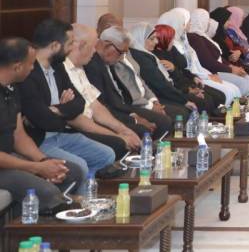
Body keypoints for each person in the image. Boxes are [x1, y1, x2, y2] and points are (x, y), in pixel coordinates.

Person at [17, 19, 116, 181]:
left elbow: (79, 103)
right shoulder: (28, 72)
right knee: (80, 166)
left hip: (61, 134)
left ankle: (85, 191)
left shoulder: (58, 66)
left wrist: (55, 109)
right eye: (70, 44)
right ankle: (74, 195)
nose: (71, 49)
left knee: (106, 155)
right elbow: (43, 120)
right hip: (40, 140)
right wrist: (64, 111)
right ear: (55, 46)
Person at [0, 38, 83, 214]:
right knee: (47, 192)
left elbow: (19, 135)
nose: (33, 68)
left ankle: (50, 213)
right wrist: (37, 168)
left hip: (10, 158)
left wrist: (44, 161)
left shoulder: (12, 89)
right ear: (17, 67)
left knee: (71, 172)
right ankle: (25, 226)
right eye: (31, 64)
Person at [61, 25, 143, 158]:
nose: (95, 51)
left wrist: (123, 130)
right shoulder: (62, 70)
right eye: (93, 46)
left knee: (130, 135)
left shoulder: (79, 68)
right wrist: (117, 136)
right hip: (74, 129)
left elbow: (96, 106)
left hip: (90, 123)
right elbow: (77, 120)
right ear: (81, 45)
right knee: (119, 144)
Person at [158, 8, 242, 105]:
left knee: (232, 90)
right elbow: (189, 67)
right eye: (185, 23)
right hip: (189, 80)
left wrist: (206, 75)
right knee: (224, 94)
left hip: (196, 77)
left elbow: (194, 64)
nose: (189, 24)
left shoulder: (184, 40)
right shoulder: (179, 43)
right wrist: (200, 79)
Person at [128, 23, 215, 114]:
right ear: (140, 39)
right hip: (160, 95)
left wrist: (188, 89)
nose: (156, 41)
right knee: (191, 107)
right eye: (152, 39)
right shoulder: (143, 59)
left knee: (206, 98)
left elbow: (181, 69)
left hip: (171, 90)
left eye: (156, 38)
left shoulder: (146, 53)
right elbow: (161, 85)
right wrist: (185, 98)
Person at [186, 9, 249, 92]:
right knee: (242, 83)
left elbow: (218, 57)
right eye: (207, 20)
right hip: (211, 72)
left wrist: (231, 66)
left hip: (218, 69)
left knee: (246, 77)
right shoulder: (195, 38)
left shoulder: (201, 36)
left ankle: (247, 100)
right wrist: (231, 70)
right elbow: (208, 62)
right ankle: (243, 100)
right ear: (201, 21)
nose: (208, 23)